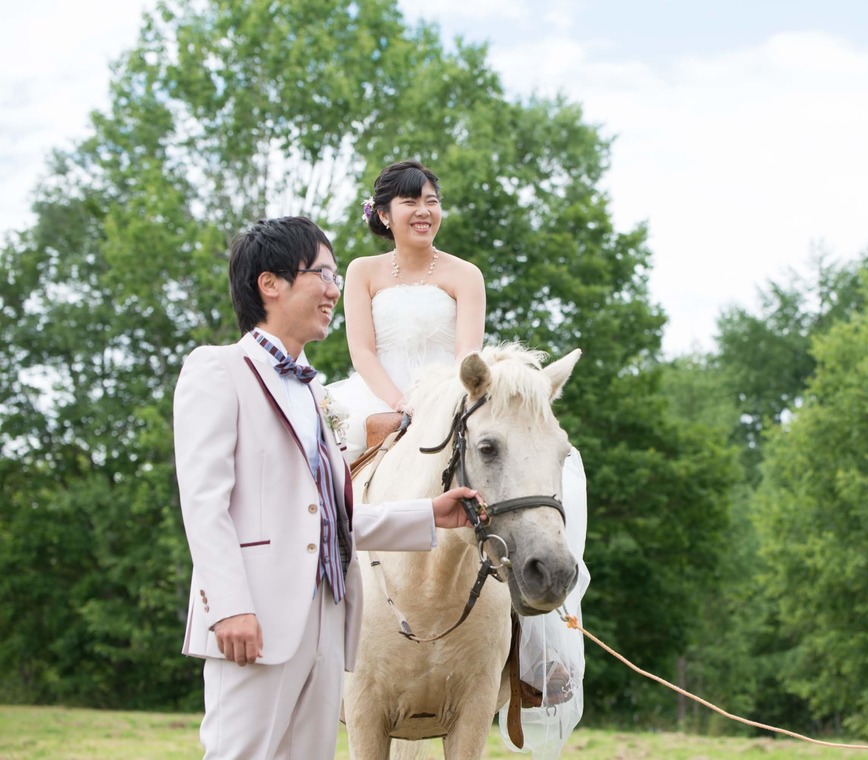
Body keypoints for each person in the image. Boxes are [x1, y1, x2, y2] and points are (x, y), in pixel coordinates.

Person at [172, 215, 481, 760]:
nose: (336, 290)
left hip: (327, 623)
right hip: (256, 620)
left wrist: (429, 515)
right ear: (270, 283)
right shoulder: (218, 370)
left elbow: (327, 521)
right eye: (322, 274)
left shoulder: (317, 396)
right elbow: (204, 505)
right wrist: (228, 606)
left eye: (336, 276)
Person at [327, 160, 590, 758]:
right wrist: (397, 407)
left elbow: (469, 355)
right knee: (322, 479)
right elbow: (363, 350)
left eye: (433, 199)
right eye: (410, 201)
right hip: (380, 398)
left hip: (455, 397)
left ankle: (539, 653)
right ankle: (314, 622)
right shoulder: (363, 272)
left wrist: (436, 407)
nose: (424, 210)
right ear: (384, 213)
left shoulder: (465, 274)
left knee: (552, 481)